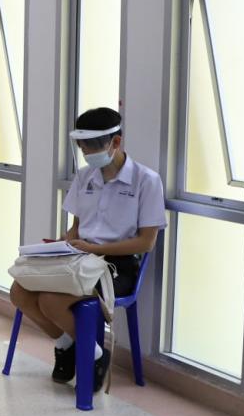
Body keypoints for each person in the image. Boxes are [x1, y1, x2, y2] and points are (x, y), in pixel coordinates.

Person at [9, 107, 165, 392]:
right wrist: (61, 246)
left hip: (117, 266)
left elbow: (146, 242)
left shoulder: (147, 181)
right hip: (80, 258)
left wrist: (93, 247)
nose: (87, 154)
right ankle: (75, 347)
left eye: (92, 147)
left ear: (115, 142)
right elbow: (76, 227)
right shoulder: (84, 177)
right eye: (82, 148)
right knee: (20, 291)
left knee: (51, 301)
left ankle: (89, 354)